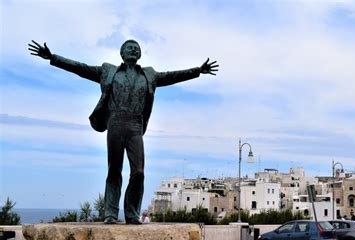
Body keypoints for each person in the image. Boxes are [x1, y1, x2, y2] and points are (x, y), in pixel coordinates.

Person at [28, 40, 218, 225]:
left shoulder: (149, 75)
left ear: (140, 54)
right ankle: (110, 213)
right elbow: (81, 68)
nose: (133, 50)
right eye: (129, 48)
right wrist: (53, 57)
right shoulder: (108, 71)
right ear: (122, 53)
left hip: (135, 125)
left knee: (139, 172)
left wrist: (198, 71)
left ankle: (132, 213)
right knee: (114, 169)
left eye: (136, 48)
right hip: (115, 123)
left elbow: (172, 76)